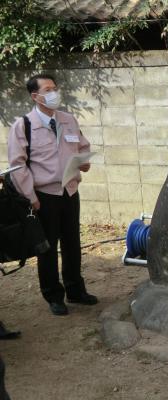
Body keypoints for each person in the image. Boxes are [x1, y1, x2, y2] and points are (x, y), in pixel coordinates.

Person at [7, 74, 97, 316]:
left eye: (55, 88)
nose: (54, 93)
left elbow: (83, 146)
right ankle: (53, 296)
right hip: (43, 195)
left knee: (72, 243)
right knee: (47, 248)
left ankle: (75, 290)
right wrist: (30, 197)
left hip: (69, 191)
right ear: (35, 96)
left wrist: (84, 162)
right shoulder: (23, 126)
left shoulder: (68, 120)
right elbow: (17, 166)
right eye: (48, 89)